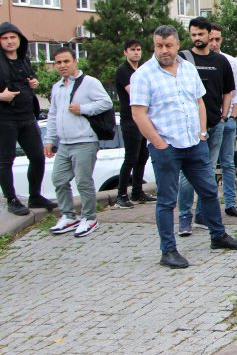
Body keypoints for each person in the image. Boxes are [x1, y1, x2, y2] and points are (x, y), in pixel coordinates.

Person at [130, 24, 237, 269]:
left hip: (194, 143)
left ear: (177, 44)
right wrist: (160, 144)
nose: (164, 50)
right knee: (166, 200)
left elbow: (199, 102)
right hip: (166, 147)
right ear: (154, 46)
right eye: (159, 46)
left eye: (169, 45)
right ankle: (168, 250)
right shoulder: (143, 74)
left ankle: (218, 236)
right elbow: (139, 114)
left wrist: (202, 133)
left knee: (208, 191)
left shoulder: (188, 69)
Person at [44, 47, 113, 237]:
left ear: (75, 61)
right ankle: (68, 215)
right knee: (58, 179)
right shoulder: (57, 87)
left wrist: (83, 108)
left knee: (83, 181)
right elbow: (52, 115)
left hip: (85, 140)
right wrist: (49, 139)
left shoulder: (89, 82)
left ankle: (89, 217)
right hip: (65, 142)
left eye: (66, 61)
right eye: (58, 62)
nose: (62, 66)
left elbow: (106, 103)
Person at [176, 17, 235, 236]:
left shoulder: (221, 61)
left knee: (208, 173)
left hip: (215, 124)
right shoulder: (183, 58)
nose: (197, 38)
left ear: (209, 35)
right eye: (193, 35)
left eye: (201, 34)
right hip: (190, 128)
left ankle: (202, 215)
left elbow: (229, 90)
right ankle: (184, 216)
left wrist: (223, 115)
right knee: (187, 176)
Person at [0, 22, 56, 215]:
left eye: (12, 37)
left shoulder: (24, 59)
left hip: (27, 117)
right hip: (5, 118)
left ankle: (35, 196)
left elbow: (30, 80)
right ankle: (12, 199)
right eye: (5, 38)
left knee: (38, 157)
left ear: (19, 39)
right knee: (6, 161)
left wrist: (34, 83)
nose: (9, 42)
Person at [208, 24, 237, 218]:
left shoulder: (229, 61)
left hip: (228, 118)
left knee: (228, 163)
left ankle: (230, 203)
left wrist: (231, 115)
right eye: (211, 39)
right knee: (207, 165)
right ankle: (207, 207)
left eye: (218, 39)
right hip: (208, 121)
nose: (214, 43)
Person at [114, 40, 156, 208]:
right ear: (126, 52)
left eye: (138, 49)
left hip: (143, 118)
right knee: (131, 158)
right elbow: (135, 92)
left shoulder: (140, 70)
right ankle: (121, 194)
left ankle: (137, 192)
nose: (136, 53)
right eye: (132, 50)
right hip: (130, 119)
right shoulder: (123, 71)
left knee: (142, 156)